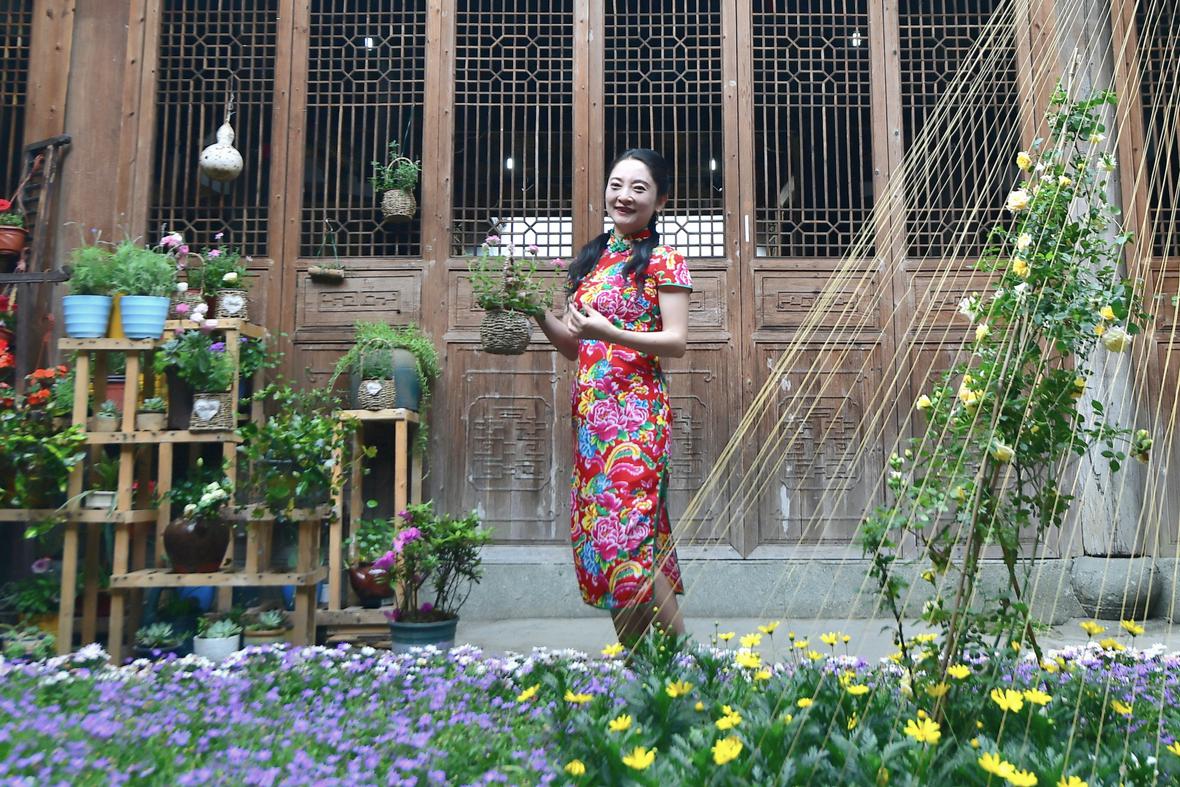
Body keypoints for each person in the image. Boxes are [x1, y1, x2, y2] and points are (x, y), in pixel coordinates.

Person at [535, 148, 692, 645]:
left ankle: (685, 666)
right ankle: (639, 664)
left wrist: (612, 332)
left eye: (639, 188)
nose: (624, 196)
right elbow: (575, 348)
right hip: (591, 425)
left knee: (629, 540)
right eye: (616, 185)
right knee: (605, 539)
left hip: (637, 417)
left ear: (660, 201)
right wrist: (538, 313)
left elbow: (677, 342)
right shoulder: (590, 260)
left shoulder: (665, 260)